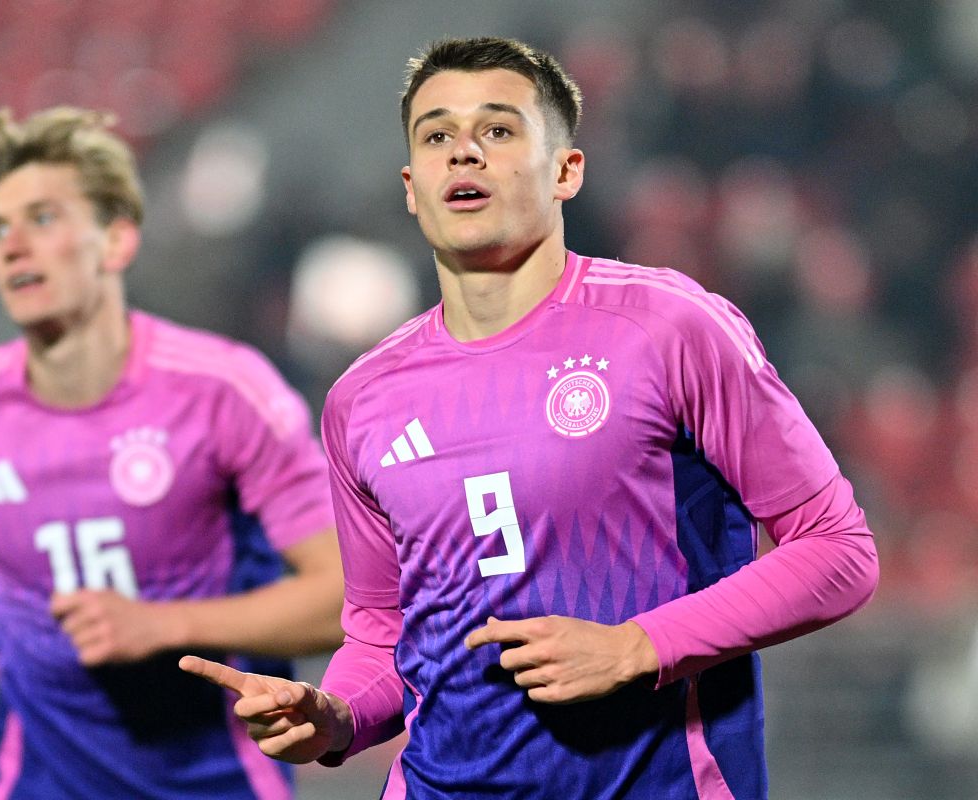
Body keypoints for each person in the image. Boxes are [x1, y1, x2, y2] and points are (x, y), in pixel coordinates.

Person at [180, 36, 880, 799]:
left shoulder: (668, 327)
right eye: (438, 135)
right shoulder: (362, 397)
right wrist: (336, 715)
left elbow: (838, 552)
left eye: (500, 130)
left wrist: (639, 646)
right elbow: (383, 633)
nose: (464, 154)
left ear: (567, 171)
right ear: (413, 187)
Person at [0, 106, 344, 800]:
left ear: (118, 240)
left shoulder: (224, 392)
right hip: (36, 778)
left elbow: (346, 594)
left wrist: (164, 625)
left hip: (215, 778)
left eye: (42, 219)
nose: (13, 246)